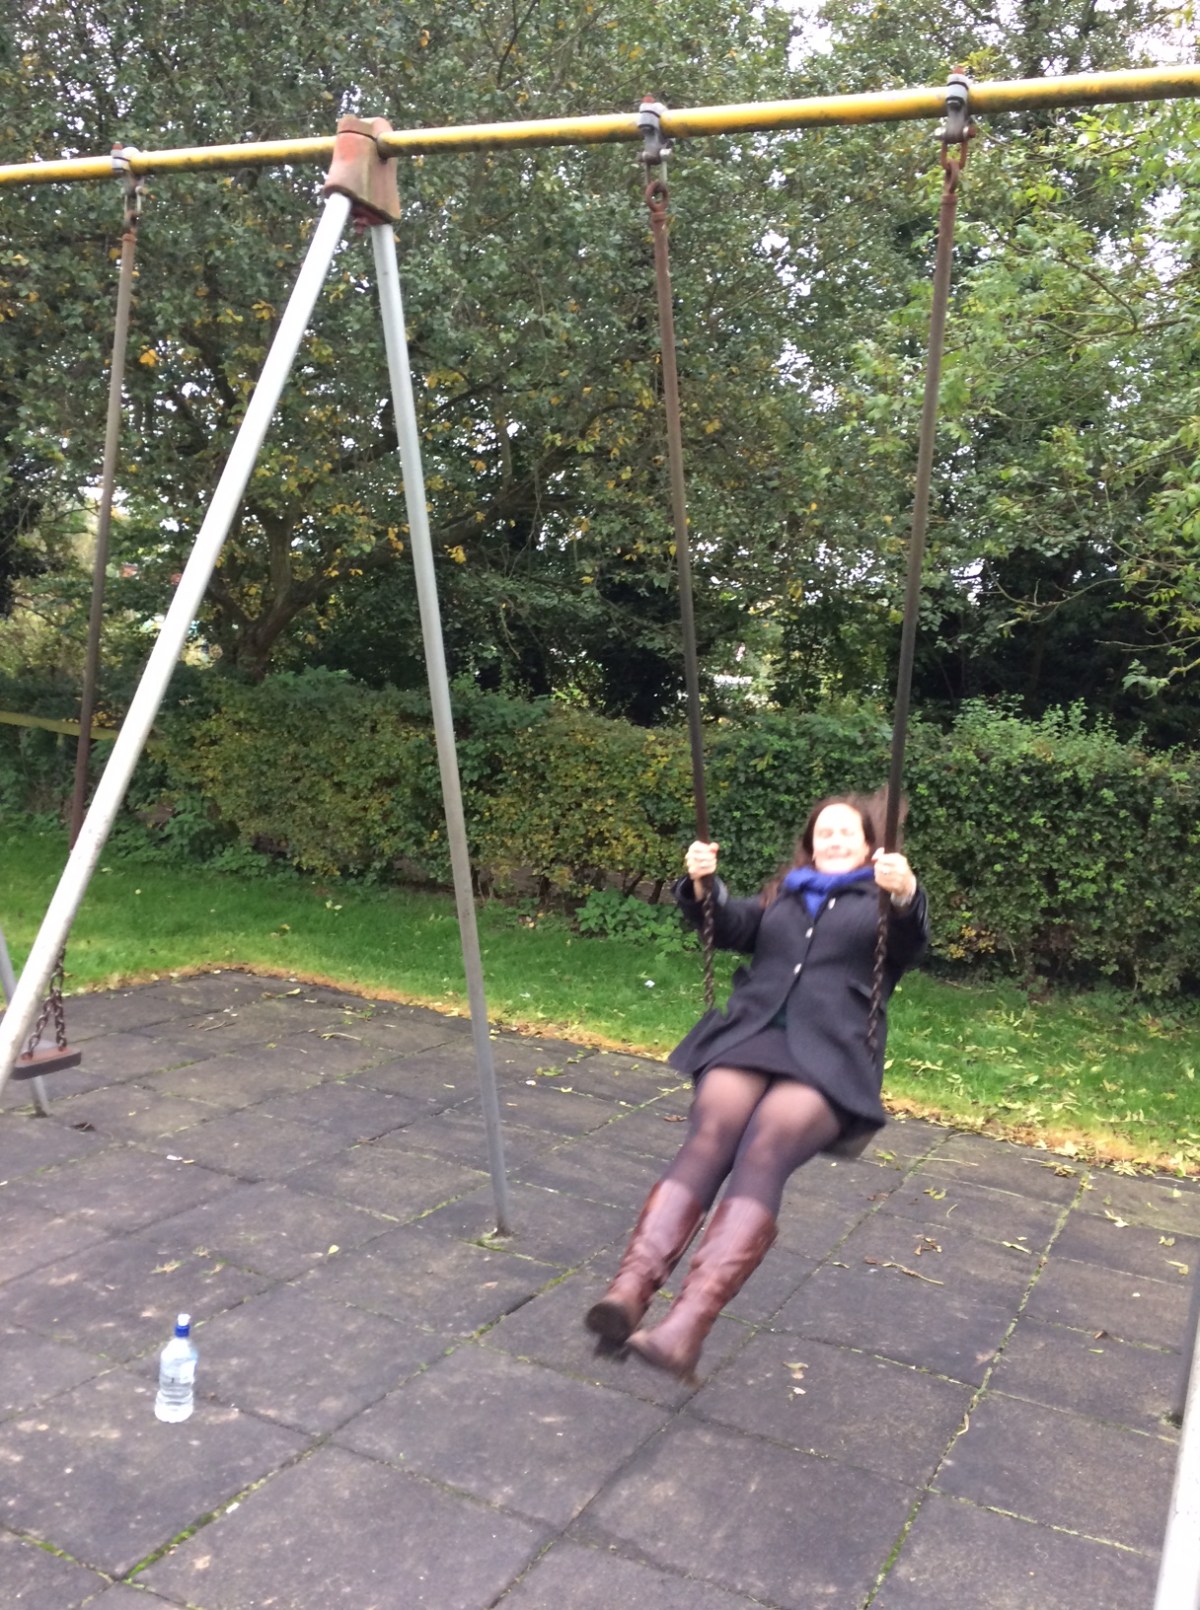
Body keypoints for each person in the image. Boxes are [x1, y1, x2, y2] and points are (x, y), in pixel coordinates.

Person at [584, 791, 928, 1383]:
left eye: (846, 832)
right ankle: (628, 1292)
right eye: (823, 833)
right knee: (710, 1135)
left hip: (829, 1054)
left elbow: (911, 938)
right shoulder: (783, 895)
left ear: (870, 844)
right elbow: (727, 924)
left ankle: (685, 1329)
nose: (833, 840)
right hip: (752, 1036)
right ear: (810, 844)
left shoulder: (881, 901)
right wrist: (703, 886)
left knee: (764, 1149)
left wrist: (906, 892)